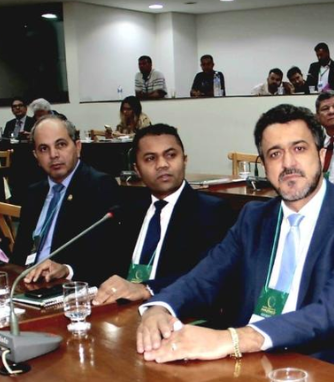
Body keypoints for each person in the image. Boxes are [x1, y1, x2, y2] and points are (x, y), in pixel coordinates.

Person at [135, 104, 334, 374]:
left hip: (326, 368)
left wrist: (234, 339)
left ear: (321, 154)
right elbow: (204, 277)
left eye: (299, 148)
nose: (288, 164)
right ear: (264, 165)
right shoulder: (254, 217)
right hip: (250, 365)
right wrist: (160, 307)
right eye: (274, 154)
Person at [93, 124, 234, 304]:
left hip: (175, 309)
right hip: (120, 308)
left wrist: (147, 289)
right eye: (150, 158)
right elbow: (104, 263)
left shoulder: (212, 212)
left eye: (171, 155)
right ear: (137, 169)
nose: (162, 165)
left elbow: (207, 273)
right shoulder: (128, 211)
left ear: (184, 160)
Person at [11, 116, 120, 286]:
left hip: (68, 287)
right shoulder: (34, 192)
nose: (53, 155)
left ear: (78, 147)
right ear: (36, 156)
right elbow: (20, 253)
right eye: (44, 149)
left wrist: (67, 269)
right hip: (26, 282)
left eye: (61, 145)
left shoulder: (99, 186)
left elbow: (107, 256)